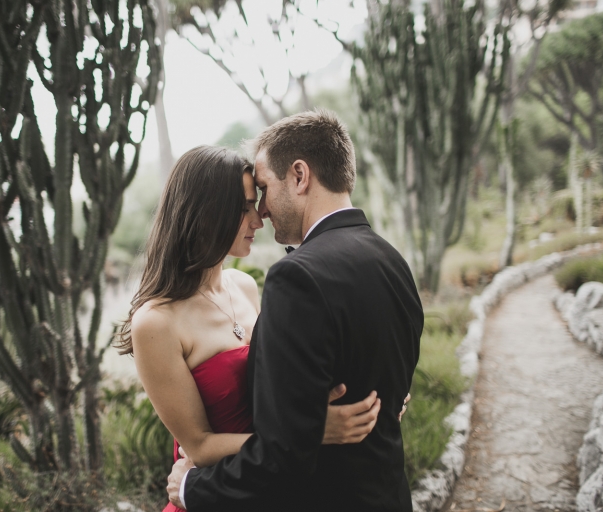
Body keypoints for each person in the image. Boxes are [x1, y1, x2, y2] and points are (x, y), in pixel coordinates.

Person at [166, 110, 423, 511]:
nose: (262, 212)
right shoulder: (391, 260)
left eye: (264, 189)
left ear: (300, 176)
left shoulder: (296, 277)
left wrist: (191, 489)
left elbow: (282, 455)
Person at [116, 145, 385, 512]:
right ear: (206, 213)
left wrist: (379, 388)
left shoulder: (243, 285)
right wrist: (308, 434)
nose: (258, 220)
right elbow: (200, 446)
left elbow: (274, 388)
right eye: (244, 208)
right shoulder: (156, 322)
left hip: (270, 483)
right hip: (218, 494)